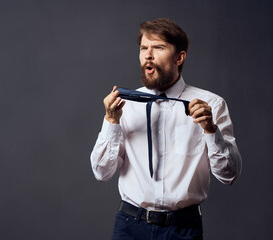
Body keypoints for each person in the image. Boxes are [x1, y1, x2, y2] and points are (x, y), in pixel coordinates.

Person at [90, 18, 242, 240]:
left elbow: (229, 174)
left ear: (179, 57)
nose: (148, 55)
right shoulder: (125, 105)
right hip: (130, 227)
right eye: (144, 48)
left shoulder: (211, 104)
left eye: (158, 48)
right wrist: (111, 121)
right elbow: (102, 173)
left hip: (183, 229)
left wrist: (211, 129)